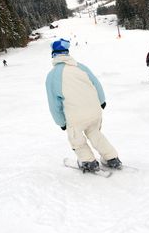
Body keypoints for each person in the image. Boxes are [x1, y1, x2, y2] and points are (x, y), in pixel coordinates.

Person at [46, 38, 121, 172]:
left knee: (77, 139)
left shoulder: (52, 76)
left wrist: (61, 122)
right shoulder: (80, 67)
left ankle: (88, 161)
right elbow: (96, 84)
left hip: (76, 116)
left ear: (53, 55)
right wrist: (102, 102)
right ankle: (111, 158)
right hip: (95, 111)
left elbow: (54, 104)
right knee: (95, 134)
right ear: (67, 52)